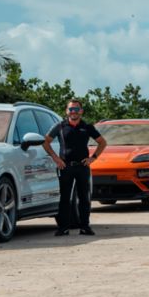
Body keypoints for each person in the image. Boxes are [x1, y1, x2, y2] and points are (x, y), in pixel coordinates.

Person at [43, 99, 107, 236]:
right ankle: (63, 228)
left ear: (81, 111)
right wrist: (56, 158)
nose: (73, 112)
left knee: (84, 198)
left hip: (82, 167)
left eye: (76, 109)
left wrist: (93, 158)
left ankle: (85, 227)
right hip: (65, 167)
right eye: (71, 109)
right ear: (67, 111)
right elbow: (46, 142)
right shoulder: (59, 126)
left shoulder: (87, 127)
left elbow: (102, 143)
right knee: (64, 198)